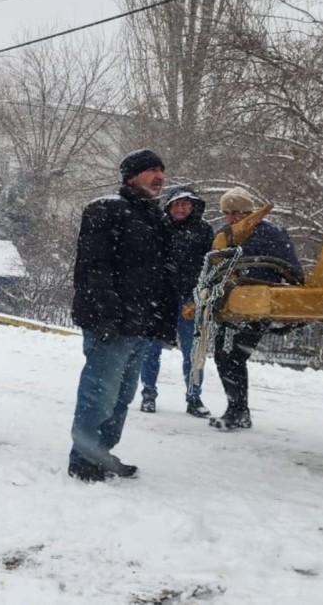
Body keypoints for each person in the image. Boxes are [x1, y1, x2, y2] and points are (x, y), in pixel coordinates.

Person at [68, 149, 176, 482]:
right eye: (151, 170)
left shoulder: (155, 217)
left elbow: (162, 274)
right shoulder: (106, 209)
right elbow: (93, 267)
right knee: (99, 393)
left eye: (161, 171)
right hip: (111, 324)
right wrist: (106, 315)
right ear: (131, 175)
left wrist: (162, 320)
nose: (159, 177)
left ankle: (102, 452)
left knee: (122, 396)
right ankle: (83, 458)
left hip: (141, 325)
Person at [209, 187, 301, 431]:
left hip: (256, 304)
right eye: (226, 213)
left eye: (235, 212)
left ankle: (238, 411)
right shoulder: (227, 234)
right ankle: (238, 410)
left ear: (247, 211)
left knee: (233, 356)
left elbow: (292, 270)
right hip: (232, 305)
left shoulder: (269, 233)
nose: (230, 218)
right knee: (225, 356)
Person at [137, 186, 215, 418]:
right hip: (160, 298)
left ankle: (194, 397)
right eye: (177, 204)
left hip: (189, 298)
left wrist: (201, 291)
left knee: (193, 351)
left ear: (193, 206)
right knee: (151, 349)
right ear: (169, 206)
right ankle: (148, 394)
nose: (181, 208)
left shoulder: (203, 231)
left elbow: (210, 264)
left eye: (186, 204)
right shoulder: (159, 227)